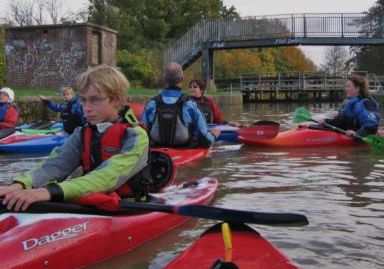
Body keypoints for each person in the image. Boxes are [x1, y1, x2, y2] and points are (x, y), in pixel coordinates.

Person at [0, 65, 153, 211]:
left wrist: (50, 191)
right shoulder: (82, 133)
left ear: (117, 99)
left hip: (128, 206)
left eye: (94, 100)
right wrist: (21, 184)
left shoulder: (136, 136)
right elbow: (55, 165)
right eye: (84, 100)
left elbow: (107, 177)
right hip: (95, 204)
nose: (86, 107)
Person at [141, 63, 220, 149]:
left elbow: (141, 131)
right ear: (182, 79)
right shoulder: (191, 104)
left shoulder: (152, 103)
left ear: (164, 79)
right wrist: (213, 135)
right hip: (185, 150)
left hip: (157, 150)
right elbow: (205, 140)